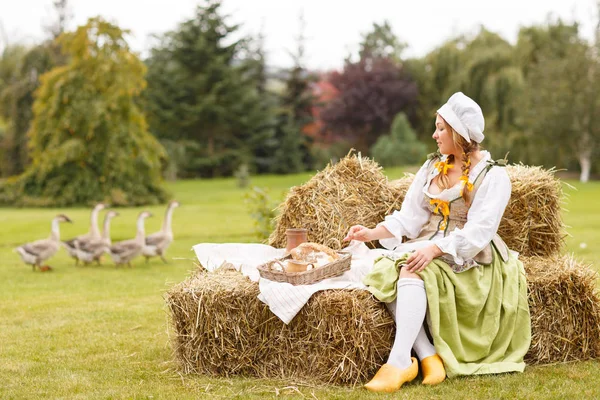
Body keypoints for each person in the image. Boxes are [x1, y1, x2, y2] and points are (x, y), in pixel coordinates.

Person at [343, 92, 531, 393]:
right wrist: (372, 233)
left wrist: (435, 249)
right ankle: (428, 354)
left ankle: (400, 360)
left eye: (441, 128)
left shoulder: (494, 176)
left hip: (469, 256)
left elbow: (479, 232)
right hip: (428, 243)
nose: (434, 134)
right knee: (378, 266)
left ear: (459, 132)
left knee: (409, 269)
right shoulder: (432, 167)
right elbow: (410, 218)